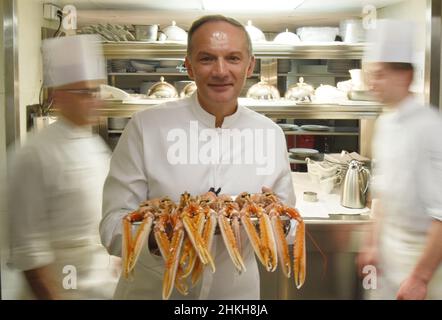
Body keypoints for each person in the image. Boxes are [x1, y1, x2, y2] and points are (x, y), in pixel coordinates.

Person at [100, 15, 295, 299]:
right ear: (189, 66)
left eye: (233, 58)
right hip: (154, 292)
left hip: (235, 296)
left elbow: (288, 227)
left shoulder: (270, 134)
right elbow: (110, 227)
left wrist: (266, 221)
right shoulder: (146, 127)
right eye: (206, 59)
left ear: (250, 66)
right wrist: (166, 232)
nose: (220, 71)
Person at [8, 34, 119, 299]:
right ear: (58, 96)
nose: (96, 99)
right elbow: (29, 251)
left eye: (97, 90)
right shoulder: (33, 154)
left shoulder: (94, 145)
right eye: (85, 92)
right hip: (61, 288)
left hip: (101, 286)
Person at [357, 19, 442, 300]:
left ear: (405, 76)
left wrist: (420, 277)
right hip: (386, 250)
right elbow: (381, 193)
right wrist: (371, 243)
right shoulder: (385, 120)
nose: (372, 83)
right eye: (370, 74)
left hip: (421, 256)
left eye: (379, 75)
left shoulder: (431, 127)